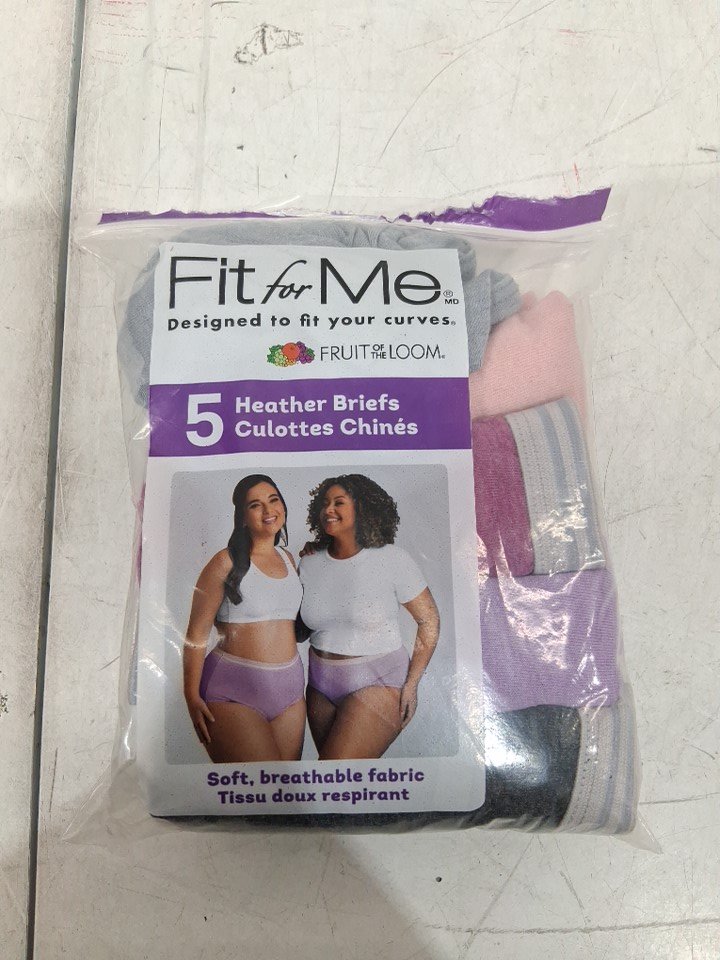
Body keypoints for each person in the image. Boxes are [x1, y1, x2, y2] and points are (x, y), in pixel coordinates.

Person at [299, 474, 440, 760]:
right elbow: (301, 629)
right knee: (331, 780)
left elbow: (429, 621)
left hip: (379, 681)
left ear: (362, 507)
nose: (328, 509)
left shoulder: (392, 558)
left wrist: (412, 684)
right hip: (319, 686)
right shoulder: (309, 561)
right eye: (324, 503)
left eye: (339, 502)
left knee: (336, 773)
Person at [183, 475, 305, 762]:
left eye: (273, 500)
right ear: (242, 517)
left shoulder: (289, 559)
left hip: (290, 694)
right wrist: (191, 695)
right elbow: (196, 635)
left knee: (286, 789)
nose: (268, 510)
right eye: (255, 505)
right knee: (260, 784)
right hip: (232, 692)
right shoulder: (224, 562)